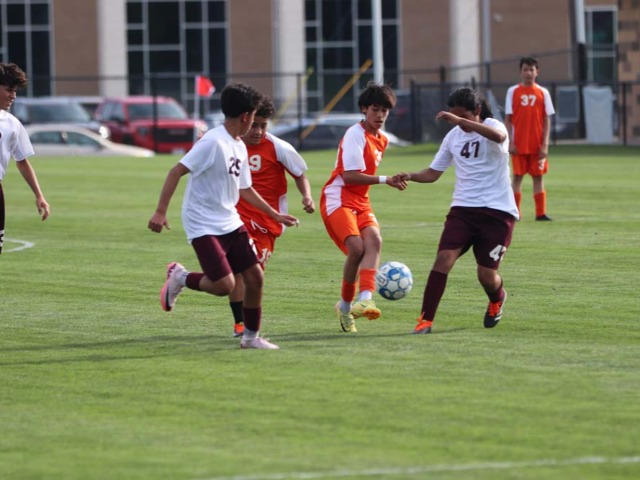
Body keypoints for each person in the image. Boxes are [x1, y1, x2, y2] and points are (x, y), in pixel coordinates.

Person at [147, 83, 299, 350]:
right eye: (254, 117)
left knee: (255, 277)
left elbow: (245, 188)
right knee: (223, 286)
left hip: (229, 221)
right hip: (202, 223)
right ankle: (180, 277)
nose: (255, 125)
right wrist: (160, 211)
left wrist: (274, 214)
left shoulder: (238, 145)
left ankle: (251, 338)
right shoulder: (212, 142)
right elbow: (176, 171)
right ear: (245, 116)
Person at [393, 87, 518, 334]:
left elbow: (500, 137)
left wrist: (461, 122)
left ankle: (497, 298)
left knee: (486, 275)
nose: (459, 123)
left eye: (464, 117)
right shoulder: (453, 137)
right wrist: (410, 175)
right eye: (455, 117)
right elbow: (432, 173)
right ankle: (425, 321)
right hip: (463, 210)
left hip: (497, 213)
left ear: (478, 111)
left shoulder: (493, 126)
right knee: (444, 259)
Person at [320, 82, 406, 333]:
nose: (380, 115)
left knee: (375, 240)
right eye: (375, 109)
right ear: (364, 109)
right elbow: (349, 176)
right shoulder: (354, 134)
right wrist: (386, 180)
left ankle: (366, 299)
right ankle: (346, 307)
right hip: (338, 197)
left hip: (360, 200)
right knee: (357, 248)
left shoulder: (383, 140)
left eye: (384, 111)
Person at [227, 97, 315, 338]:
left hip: (268, 223)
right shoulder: (231, 145)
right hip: (236, 216)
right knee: (238, 271)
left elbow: (300, 174)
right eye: (254, 125)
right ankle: (240, 324)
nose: (258, 131)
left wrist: (307, 196)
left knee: (253, 275)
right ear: (245, 120)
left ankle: (184, 278)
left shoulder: (279, 147)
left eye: (263, 126)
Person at [0, 63, 50, 255]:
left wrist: (39, 195)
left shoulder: (12, 124)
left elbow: (21, 160)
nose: (13, 96)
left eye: (15, 91)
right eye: (9, 90)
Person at [504, 56, 555, 221]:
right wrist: (510, 141)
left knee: (538, 177)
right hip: (518, 145)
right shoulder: (513, 92)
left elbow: (546, 120)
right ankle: (515, 213)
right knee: (517, 177)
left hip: (537, 145)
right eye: (525, 69)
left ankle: (540, 213)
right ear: (520, 72)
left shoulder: (543, 92)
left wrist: (545, 145)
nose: (528, 73)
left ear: (537, 72)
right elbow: (508, 119)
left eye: (531, 69)